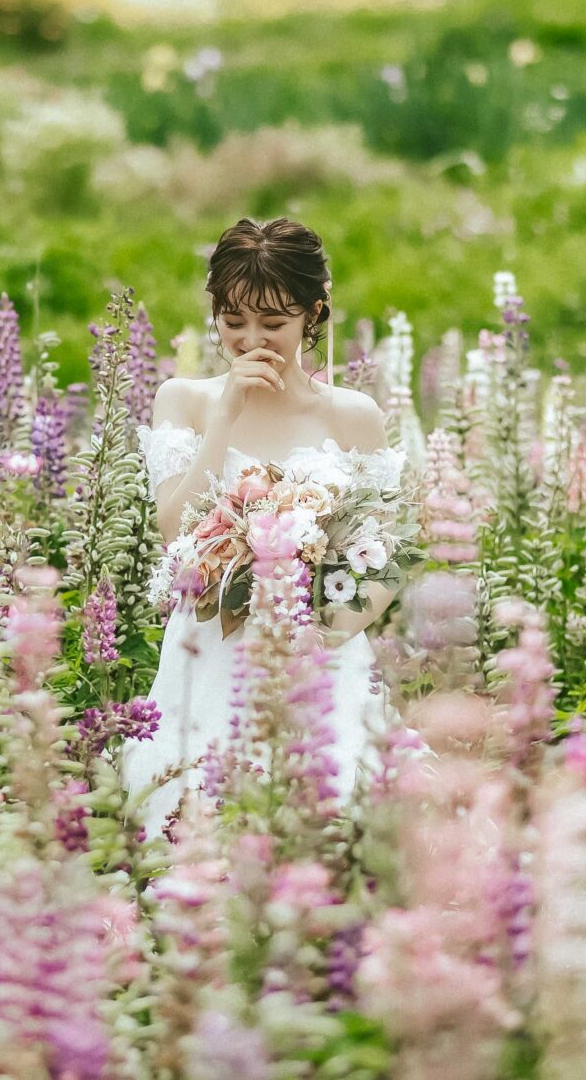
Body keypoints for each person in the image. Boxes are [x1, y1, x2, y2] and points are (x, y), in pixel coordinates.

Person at [121, 216, 403, 827]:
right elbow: (175, 536)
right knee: (193, 830)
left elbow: (384, 560)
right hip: (209, 653)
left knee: (331, 831)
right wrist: (225, 414)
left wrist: (317, 639)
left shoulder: (353, 415)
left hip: (319, 659)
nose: (252, 340)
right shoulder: (184, 400)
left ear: (313, 313)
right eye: (233, 321)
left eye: (273, 323)